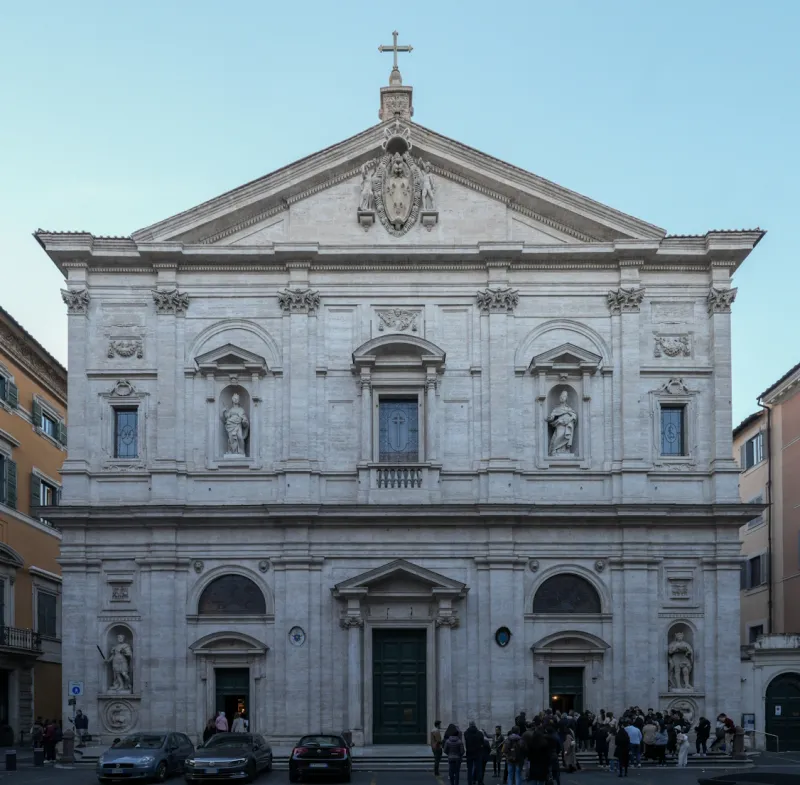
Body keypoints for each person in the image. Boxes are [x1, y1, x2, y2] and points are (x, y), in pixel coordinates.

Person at [464, 721, 483, 785]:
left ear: (469, 725)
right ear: (475, 725)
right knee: (478, 768)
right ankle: (479, 782)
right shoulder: (480, 733)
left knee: (469, 769)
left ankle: (470, 782)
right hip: (478, 753)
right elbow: (482, 743)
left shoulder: (466, 733)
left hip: (469, 753)